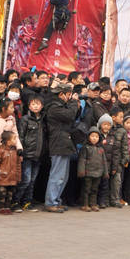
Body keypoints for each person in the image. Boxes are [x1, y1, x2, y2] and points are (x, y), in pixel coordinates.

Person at [43, 83, 78, 212]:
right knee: (57, 175)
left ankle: (56, 200)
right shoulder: (53, 107)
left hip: (64, 143)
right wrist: (74, 103)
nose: (70, 97)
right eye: (68, 94)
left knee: (63, 176)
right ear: (61, 94)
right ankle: (51, 202)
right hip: (58, 143)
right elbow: (70, 115)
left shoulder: (61, 106)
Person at [14, 94, 45, 211]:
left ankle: (27, 202)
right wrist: (20, 152)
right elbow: (20, 136)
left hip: (38, 154)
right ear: (29, 106)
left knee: (32, 180)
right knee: (25, 180)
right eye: (33, 104)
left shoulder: (43, 120)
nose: (35, 106)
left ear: (42, 106)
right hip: (27, 154)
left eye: (38, 104)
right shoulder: (25, 120)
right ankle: (15, 201)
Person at [0, 130, 22, 214]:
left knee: (10, 194)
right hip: (2, 177)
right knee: (1, 193)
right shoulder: (0, 150)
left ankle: (7, 207)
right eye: (14, 139)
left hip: (12, 177)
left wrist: (18, 176)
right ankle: (0, 207)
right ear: (8, 141)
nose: (16, 141)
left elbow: (18, 165)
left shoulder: (16, 151)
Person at [77, 128, 108, 211]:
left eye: (97, 136)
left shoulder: (101, 149)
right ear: (88, 137)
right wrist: (81, 171)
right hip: (88, 172)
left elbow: (104, 161)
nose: (94, 138)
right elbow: (82, 160)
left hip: (98, 173)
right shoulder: (85, 148)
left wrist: (105, 173)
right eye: (92, 136)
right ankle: (85, 204)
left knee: (94, 189)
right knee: (86, 189)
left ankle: (93, 204)